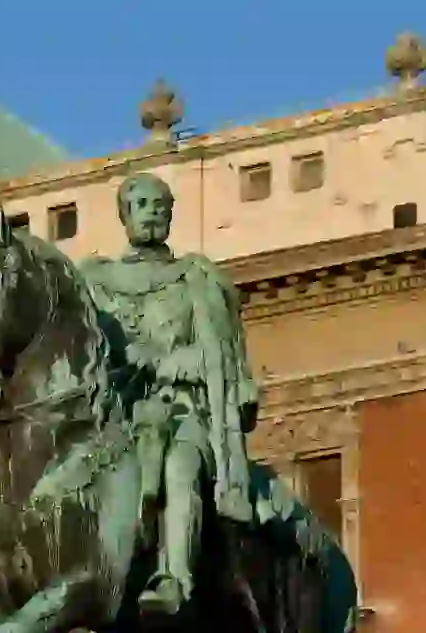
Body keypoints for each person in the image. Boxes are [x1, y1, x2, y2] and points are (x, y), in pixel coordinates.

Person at [80, 172, 260, 617]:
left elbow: (219, 357)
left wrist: (160, 361)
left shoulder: (196, 280)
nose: (152, 211)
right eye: (141, 203)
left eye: (160, 204)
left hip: (184, 410)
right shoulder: (96, 283)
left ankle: (173, 577)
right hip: (116, 416)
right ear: (124, 215)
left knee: (180, 470)